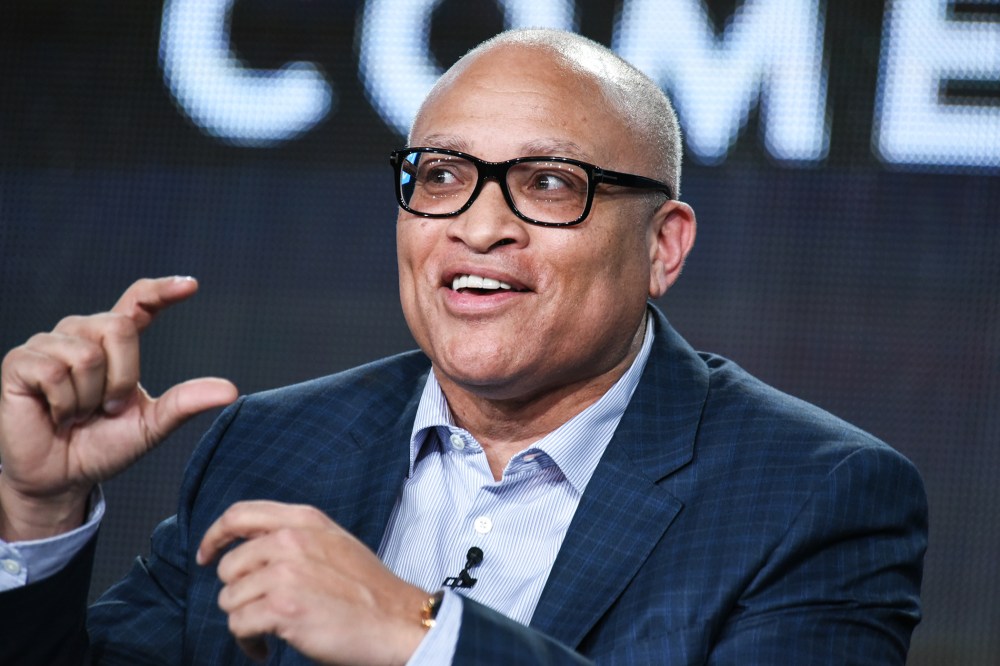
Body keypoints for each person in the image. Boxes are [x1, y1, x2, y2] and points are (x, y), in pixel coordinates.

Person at [0, 29, 926, 665]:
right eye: (440, 175)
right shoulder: (267, 446)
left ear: (663, 247)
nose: (479, 228)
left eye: (550, 183)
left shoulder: (815, 492)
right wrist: (36, 513)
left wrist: (418, 635)